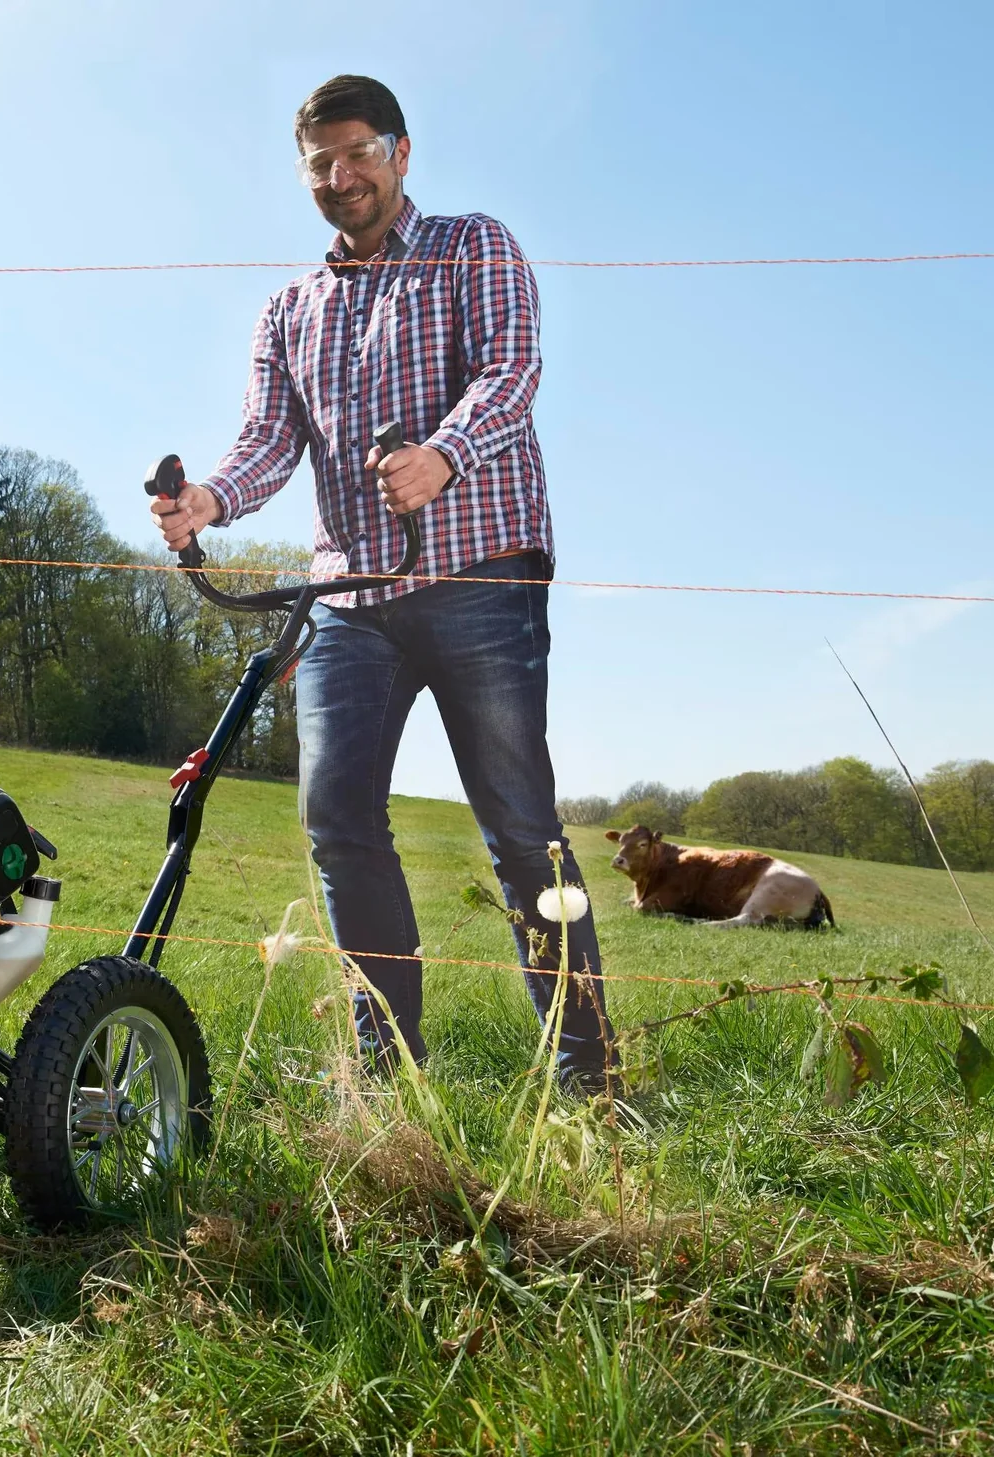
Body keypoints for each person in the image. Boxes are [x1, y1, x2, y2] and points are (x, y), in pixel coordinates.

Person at [150, 74, 613, 1091]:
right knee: (337, 819)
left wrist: (443, 453)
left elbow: (512, 370)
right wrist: (209, 504)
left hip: (478, 576)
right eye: (322, 161)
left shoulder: (471, 245)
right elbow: (269, 444)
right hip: (348, 603)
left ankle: (588, 1084)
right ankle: (387, 1071)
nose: (342, 174)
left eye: (360, 151)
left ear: (402, 153)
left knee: (521, 829)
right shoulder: (289, 309)